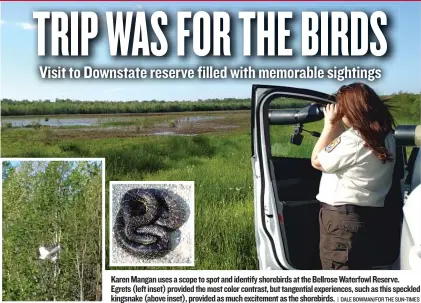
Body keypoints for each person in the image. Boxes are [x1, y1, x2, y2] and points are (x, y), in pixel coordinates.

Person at [310, 82, 396, 270]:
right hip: (368, 217)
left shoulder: (355, 140)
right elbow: (344, 146)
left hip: (342, 222)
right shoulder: (386, 136)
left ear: (352, 109)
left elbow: (316, 160)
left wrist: (329, 125)